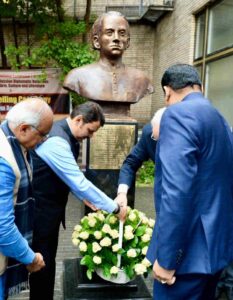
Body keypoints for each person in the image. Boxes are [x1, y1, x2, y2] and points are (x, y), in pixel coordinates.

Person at [146, 63, 233, 300]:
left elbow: (176, 192)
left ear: (168, 92)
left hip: (185, 259)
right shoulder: (221, 120)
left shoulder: (177, 115)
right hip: (215, 253)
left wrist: (167, 258)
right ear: (199, 87)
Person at [29, 101, 126, 300]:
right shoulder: (57, 141)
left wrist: (84, 198)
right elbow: (79, 182)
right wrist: (115, 208)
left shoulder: (64, 134)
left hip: (47, 211)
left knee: (46, 262)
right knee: (42, 264)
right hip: (40, 212)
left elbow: (65, 176)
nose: (90, 136)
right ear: (79, 120)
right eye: (90, 130)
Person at [0, 98, 53, 299]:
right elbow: (3, 228)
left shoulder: (11, 141)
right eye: (42, 134)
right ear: (23, 129)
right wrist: (30, 258)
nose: (43, 140)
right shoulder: (4, 162)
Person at [63, 11, 154, 104]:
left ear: (128, 42)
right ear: (96, 41)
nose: (116, 38)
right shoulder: (77, 76)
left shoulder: (142, 79)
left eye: (122, 33)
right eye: (109, 33)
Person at [116, 107, 166, 205]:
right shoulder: (149, 134)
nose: (157, 142)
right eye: (155, 137)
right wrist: (122, 193)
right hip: (162, 196)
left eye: (160, 139)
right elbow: (131, 163)